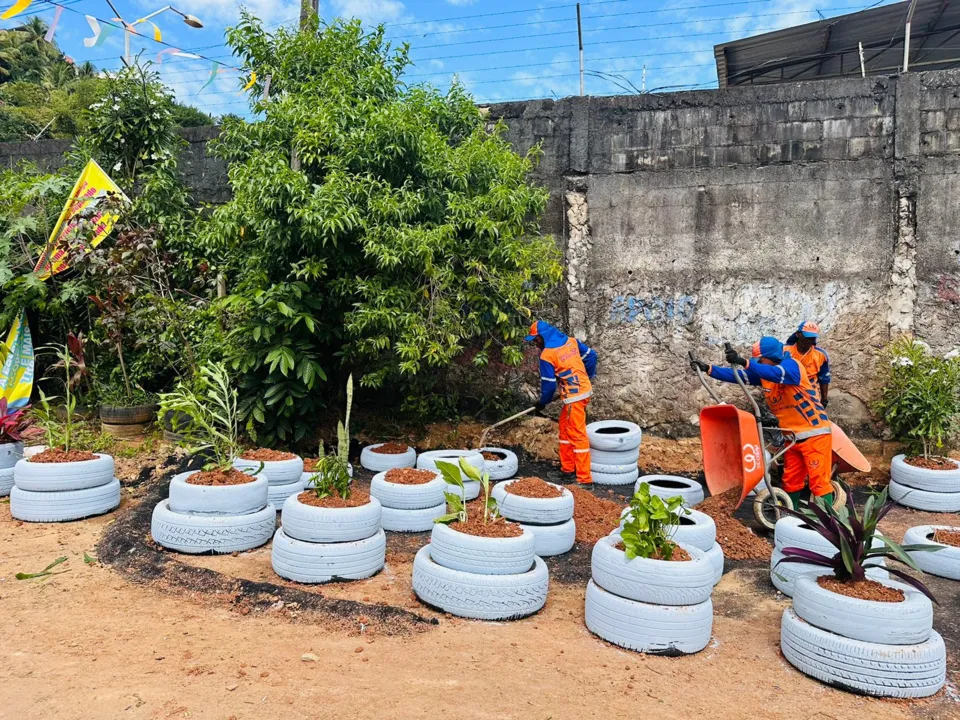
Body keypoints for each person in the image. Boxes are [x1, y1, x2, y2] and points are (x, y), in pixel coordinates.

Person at [690, 337, 834, 508]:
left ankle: (830, 525)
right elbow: (739, 376)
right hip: (793, 436)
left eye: (761, 359)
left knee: (818, 482)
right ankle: (790, 517)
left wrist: (744, 362)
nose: (758, 362)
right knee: (791, 481)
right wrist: (708, 369)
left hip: (814, 433)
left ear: (771, 356)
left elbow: (776, 374)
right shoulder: (765, 372)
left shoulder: (792, 366)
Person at [526, 320, 597, 485]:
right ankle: (567, 470)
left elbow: (549, 386)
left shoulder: (547, 356)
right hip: (579, 393)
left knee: (578, 436)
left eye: (536, 340)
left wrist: (542, 403)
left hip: (575, 399)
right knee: (565, 430)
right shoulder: (571, 342)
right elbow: (591, 356)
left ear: (544, 336)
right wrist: (587, 375)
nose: (536, 344)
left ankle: (585, 480)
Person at [785, 320, 831, 406]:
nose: (809, 341)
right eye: (806, 337)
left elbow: (824, 378)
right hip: (788, 393)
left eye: (812, 338)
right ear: (798, 334)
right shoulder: (785, 351)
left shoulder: (821, 355)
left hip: (810, 394)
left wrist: (824, 399)